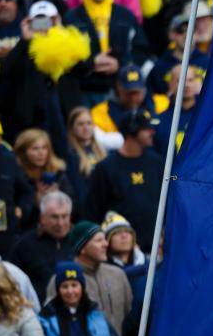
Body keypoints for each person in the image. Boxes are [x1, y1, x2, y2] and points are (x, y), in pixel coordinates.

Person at [63, 0, 149, 103]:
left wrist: (119, 64)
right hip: (86, 90)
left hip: (122, 89)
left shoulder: (125, 15)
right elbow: (66, 58)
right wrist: (91, 63)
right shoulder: (72, 18)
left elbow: (141, 50)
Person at [85, 110, 162, 253]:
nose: (152, 132)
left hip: (156, 246)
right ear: (131, 131)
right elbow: (93, 211)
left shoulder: (156, 163)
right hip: (120, 252)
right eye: (146, 129)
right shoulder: (106, 168)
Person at [45, 221, 132, 336]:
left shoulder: (118, 274)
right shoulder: (62, 279)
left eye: (105, 239)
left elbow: (130, 315)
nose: (105, 244)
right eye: (98, 241)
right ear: (82, 248)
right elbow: (51, 322)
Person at [7, 191, 72, 303]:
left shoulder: (80, 240)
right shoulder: (24, 245)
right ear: (42, 218)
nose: (60, 223)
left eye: (64, 216)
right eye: (54, 217)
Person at [13, 129, 75, 223]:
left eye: (44, 148)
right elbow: (18, 218)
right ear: (23, 152)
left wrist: (59, 197)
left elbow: (75, 208)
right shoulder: (17, 176)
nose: (41, 153)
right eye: (35, 149)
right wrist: (36, 202)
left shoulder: (59, 173)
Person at [66, 107, 108, 178]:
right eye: (81, 124)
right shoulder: (70, 153)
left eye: (89, 123)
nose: (86, 128)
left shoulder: (102, 151)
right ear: (71, 128)